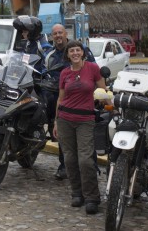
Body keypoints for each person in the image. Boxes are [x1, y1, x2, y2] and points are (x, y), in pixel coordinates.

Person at [53, 40, 107, 215]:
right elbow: (60, 98)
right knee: (69, 159)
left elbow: (103, 91)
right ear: (67, 55)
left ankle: (92, 197)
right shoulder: (65, 73)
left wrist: (108, 102)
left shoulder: (92, 68)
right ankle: (76, 193)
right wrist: (55, 120)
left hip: (85, 119)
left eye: (78, 50)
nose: (75, 53)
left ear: (83, 53)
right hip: (64, 119)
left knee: (85, 160)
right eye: (71, 51)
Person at [44, 24, 96, 180]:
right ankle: (64, 165)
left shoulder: (80, 49)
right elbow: (42, 72)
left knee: (85, 137)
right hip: (58, 98)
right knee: (62, 135)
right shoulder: (49, 55)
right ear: (52, 36)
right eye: (55, 34)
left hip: (83, 100)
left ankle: (89, 166)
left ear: (66, 33)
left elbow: (94, 72)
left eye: (60, 33)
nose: (58, 36)